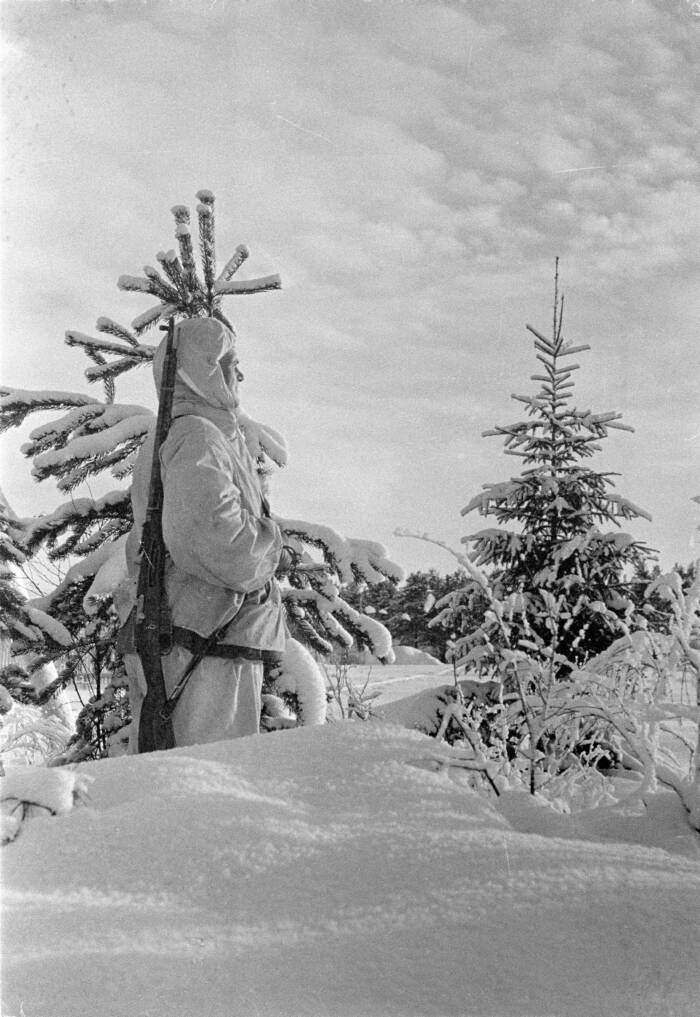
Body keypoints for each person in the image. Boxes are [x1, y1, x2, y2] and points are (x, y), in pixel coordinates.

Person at [121, 316, 288, 750]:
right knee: (209, 785)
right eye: (228, 360)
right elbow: (214, 542)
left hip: (194, 640)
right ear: (203, 368)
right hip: (200, 645)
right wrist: (271, 545)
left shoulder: (187, 434)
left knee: (187, 786)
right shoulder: (198, 437)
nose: (240, 372)